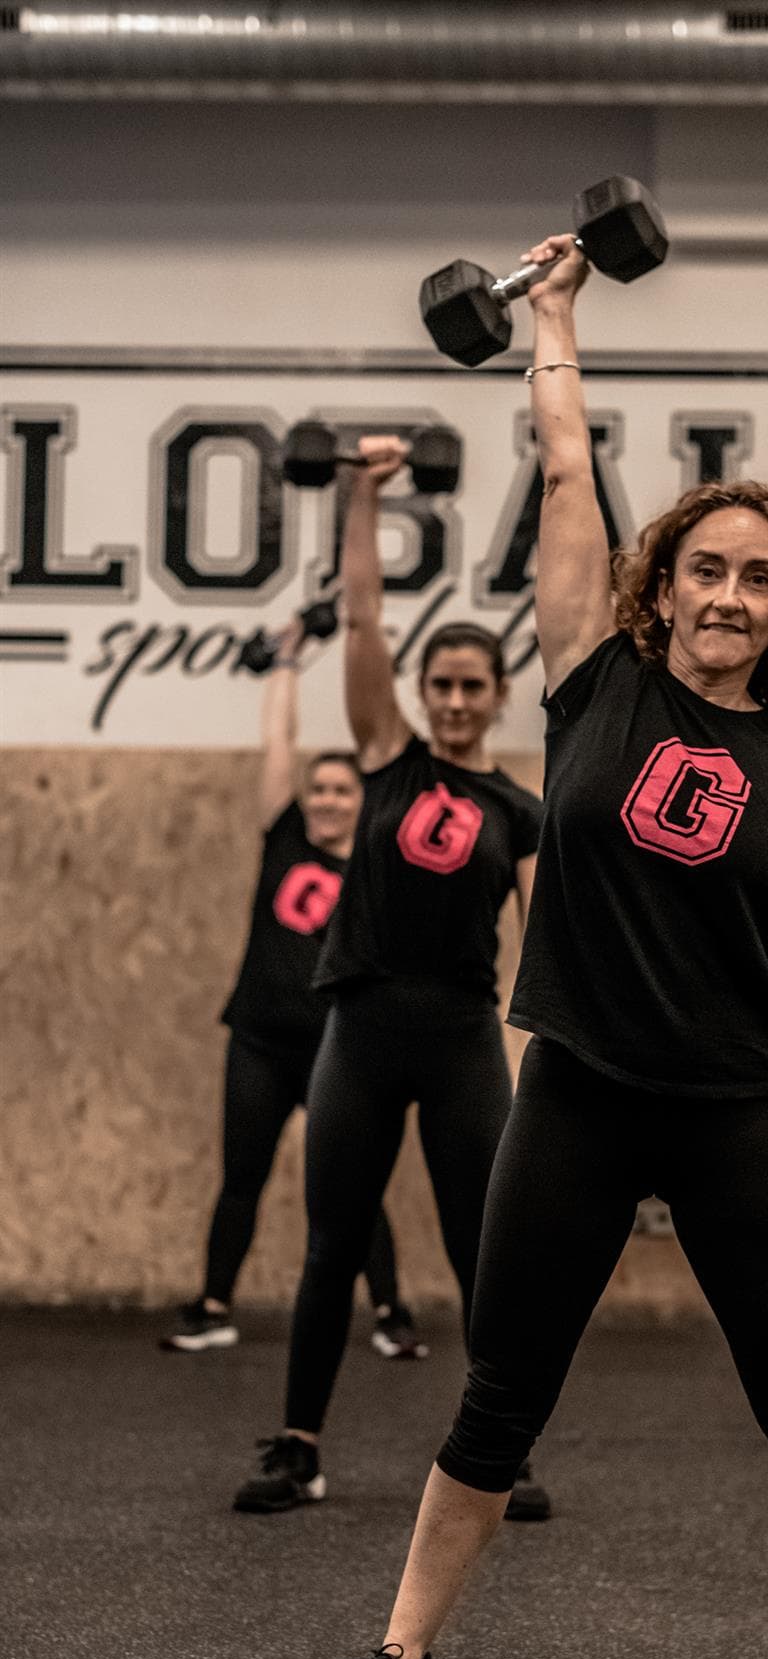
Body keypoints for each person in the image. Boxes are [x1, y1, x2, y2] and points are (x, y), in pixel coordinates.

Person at [293, 233, 768, 1659]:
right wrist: (552, 319)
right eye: (704, 568)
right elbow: (562, 477)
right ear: (661, 584)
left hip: (742, 1107)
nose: (727, 593)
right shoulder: (588, 681)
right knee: (500, 1390)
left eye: (757, 576)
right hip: (582, 1094)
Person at [232, 440, 544, 1519]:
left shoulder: (519, 813)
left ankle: (500, 1453)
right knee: (331, 1247)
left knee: (479, 1253)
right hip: (359, 1030)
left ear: (500, 697)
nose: (457, 701)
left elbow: (546, 938)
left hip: (461, 1039)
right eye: (443, 685)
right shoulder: (385, 754)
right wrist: (365, 494)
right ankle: (300, 1446)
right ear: (423, 693)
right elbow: (363, 619)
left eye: (474, 687)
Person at [159, 613, 416, 1359]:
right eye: (321, 790)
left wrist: (379, 657)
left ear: (363, 801)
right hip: (261, 1042)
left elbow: (395, 756)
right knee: (241, 1175)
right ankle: (212, 1307)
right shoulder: (285, 837)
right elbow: (279, 744)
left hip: (341, 1049)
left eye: (344, 790)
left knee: (355, 1184)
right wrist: (288, 660)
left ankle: (392, 1316)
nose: (330, 800)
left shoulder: (375, 863)